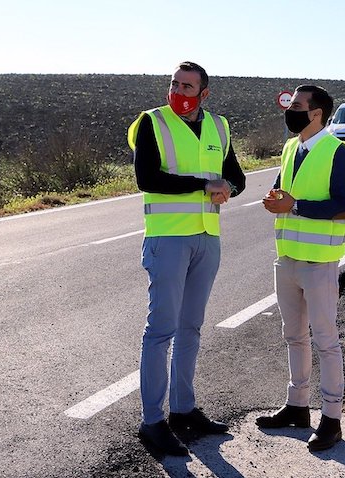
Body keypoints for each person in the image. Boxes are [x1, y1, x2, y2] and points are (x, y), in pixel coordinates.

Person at [127, 61, 245, 456]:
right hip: (168, 239)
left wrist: (227, 185)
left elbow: (237, 178)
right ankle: (152, 422)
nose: (178, 90)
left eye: (188, 85)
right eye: (175, 83)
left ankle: (182, 409)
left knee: (191, 328)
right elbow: (147, 179)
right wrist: (203, 185)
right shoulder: (152, 122)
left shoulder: (219, 127)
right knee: (161, 331)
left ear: (204, 93)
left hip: (207, 238)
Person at [258, 85, 345, 452]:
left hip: (319, 262)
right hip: (287, 258)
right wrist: (274, 198)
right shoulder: (289, 147)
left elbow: (344, 206)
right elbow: (282, 189)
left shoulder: (338, 151)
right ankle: (297, 407)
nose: (290, 110)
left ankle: (332, 419)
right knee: (293, 336)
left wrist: (293, 207)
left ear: (317, 113)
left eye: (297, 106)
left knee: (325, 340)